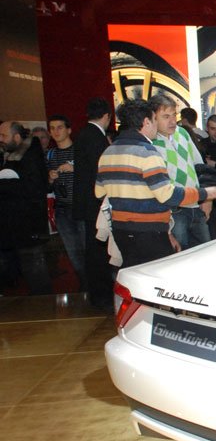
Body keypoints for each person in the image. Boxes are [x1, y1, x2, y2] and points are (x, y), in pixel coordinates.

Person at [95, 100, 216, 268]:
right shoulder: (148, 150)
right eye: (162, 117)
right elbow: (167, 194)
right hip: (157, 223)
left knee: (139, 273)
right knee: (172, 268)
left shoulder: (109, 152)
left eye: (174, 115)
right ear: (148, 121)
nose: (171, 121)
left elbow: (99, 192)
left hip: (123, 228)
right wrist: (207, 193)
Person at [147, 94, 211, 250]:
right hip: (173, 211)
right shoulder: (150, 142)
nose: (172, 121)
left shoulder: (182, 133)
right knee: (179, 256)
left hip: (196, 205)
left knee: (205, 253)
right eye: (166, 116)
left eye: (174, 115)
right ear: (153, 118)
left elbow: (200, 167)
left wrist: (207, 200)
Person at [0, 120, 51, 293]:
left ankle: (44, 303)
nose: (1, 139)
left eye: (3, 135)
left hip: (29, 223)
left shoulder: (29, 156)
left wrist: (5, 185)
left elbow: (34, 188)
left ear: (16, 136)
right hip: (15, 223)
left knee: (34, 267)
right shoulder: (11, 154)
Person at [73, 97, 114, 308]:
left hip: (87, 202)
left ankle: (98, 293)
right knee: (97, 250)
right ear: (107, 116)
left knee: (94, 249)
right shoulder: (95, 138)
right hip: (95, 203)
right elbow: (101, 174)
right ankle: (100, 295)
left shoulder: (83, 135)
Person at [45, 114, 86, 281]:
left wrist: (75, 169)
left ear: (69, 130)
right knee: (72, 252)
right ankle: (83, 283)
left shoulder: (80, 151)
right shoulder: (49, 155)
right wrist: (50, 178)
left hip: (80, 207)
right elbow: (45, 187)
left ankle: (92, 285)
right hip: (61, 209)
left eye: (60, 127)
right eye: (52, 128)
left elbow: (93, 176)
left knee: (86, 249)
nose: (56, 131)